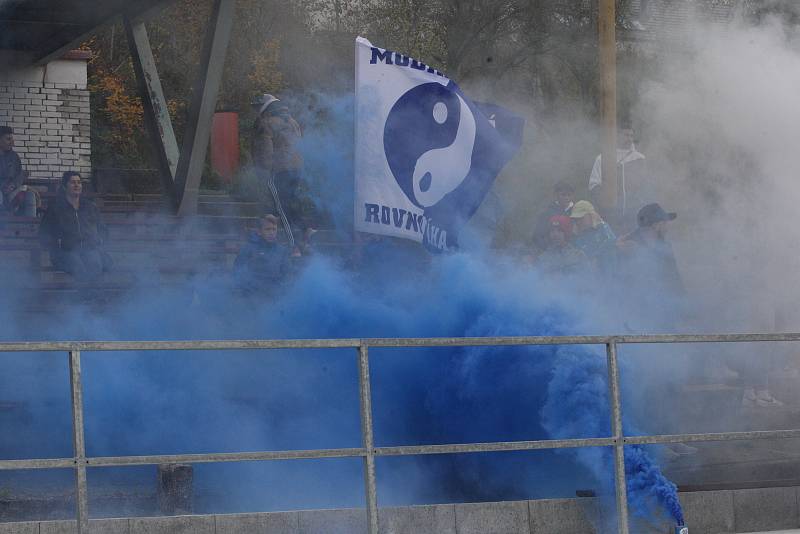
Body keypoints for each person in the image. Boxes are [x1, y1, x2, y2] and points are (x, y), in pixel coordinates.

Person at [250, 94, 315, 254]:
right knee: (290, 203)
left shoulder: (266, 123)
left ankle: (294, 246)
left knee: (282, 208)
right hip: (297, 169)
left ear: (265, 108)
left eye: (258, 108)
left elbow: (265, 152)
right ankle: (306, 230)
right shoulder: (292, 122)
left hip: (279, 170)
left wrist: (264, 168)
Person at [39, 171, 112, 278]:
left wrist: (99, 241)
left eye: (79, 182)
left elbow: (103, 229)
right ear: (65, 186)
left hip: (88, 249)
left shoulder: (90, 207)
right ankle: (84, 295)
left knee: (95, 265)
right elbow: (44, 232)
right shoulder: (56, 208)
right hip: (65, 252)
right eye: (72, 182)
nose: (77, 185)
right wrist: (56, 245)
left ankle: (93, 294)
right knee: (78, 267)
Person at [617, 203, 684, 299]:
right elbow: (624, 284)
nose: (667, 228)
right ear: (656, 226)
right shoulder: (629, 246)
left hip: (666, 305)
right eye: (664, 223)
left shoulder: (665, 247)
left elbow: (675, 280)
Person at [588, 124, 647, 231]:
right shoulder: (602, 158)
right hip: (610, 216)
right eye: (626, 135)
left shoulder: (640, 159)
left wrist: (640, 202)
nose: (629, 139)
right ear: (617, 136)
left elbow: (646, 186)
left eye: (631, 136)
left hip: (634, 216)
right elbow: (594, 185)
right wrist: (605, 206)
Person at [233, 214, 292, 294]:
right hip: (252, 294)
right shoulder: (248, 249)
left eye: (274, 229)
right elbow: (237, 271)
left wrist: (280, 290)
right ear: (259, 232)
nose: (271, 233)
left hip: (274, 294)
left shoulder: (282, 251)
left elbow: (287, 274)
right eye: (267, 229)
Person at [569, 200, 617, 274]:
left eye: (581, 218)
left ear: (590, 215)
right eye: (575, 220)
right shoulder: (578, 237)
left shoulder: (603, 229)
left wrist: (596, 258)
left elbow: (612, 246)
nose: (578, 222)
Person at [0, 126, 37, 217]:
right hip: (1, 191)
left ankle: (30, 226)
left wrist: (13, 185)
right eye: (8, 139)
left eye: (12, 139)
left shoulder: (14, 157)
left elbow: (19, 175)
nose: (12, 143)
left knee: (30, 195)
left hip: (12, 190)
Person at [533, 181, 575, 250]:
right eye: (563, 195)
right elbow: (538, 235)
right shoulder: (547, 213)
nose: (566, 198)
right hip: (551, 251)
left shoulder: (576, 211)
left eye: (569, 195)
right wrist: (547, 249)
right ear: (556, 195)